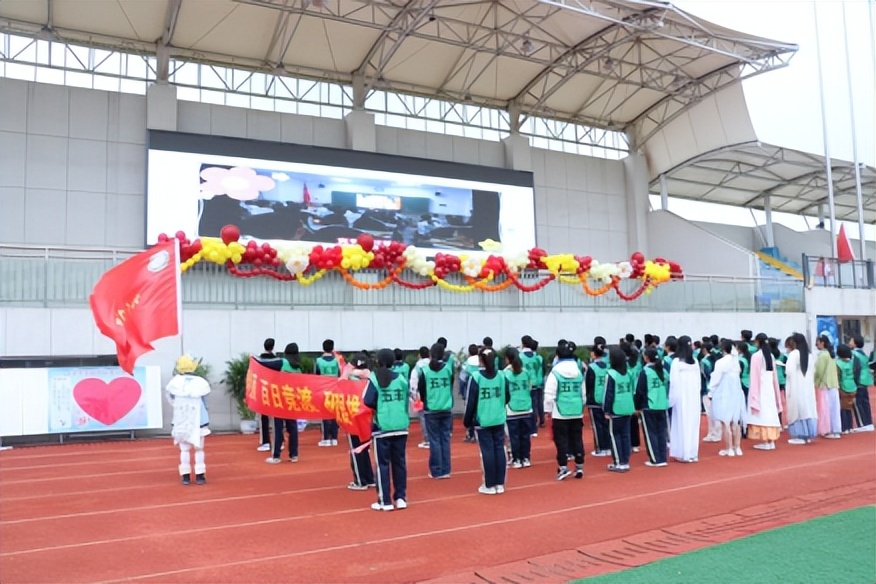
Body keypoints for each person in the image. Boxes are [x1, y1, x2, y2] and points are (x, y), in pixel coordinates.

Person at [363, 349, 409, 511]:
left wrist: (380, 408)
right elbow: (405, 398)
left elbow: (367, 400)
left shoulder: (374, 379)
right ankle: (401, 498)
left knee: (382, 464)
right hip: (401, 425)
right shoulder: (402, 379)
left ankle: (385, 501)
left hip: (382, 427)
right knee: (400, 463)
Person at [464, 347, 510, 494]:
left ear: (480, 360)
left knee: (487, 452)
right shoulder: (502, 376)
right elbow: (507, 396)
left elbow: (471, 401)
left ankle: (489, 484)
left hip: (482, 418)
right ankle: (499, 483)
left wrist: (467, 421)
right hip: (498, 417)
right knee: (499, 449)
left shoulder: (476, 377)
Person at [165, 355, 211, 485]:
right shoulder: (201, 382)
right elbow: (205, 401)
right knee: (199, 448)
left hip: (181, 419)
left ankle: (185, 475)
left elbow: (170, 397)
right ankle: (200, 475)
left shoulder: (175, 382)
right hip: (199, 420)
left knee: (184, 449)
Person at [544, 341, 586, 480]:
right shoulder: (578, 372)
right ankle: (579, 466)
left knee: (561, 440)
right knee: (577, 438)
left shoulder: (555, 373)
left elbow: (549, 393)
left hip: (560, 411)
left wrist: (547, 410)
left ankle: (563, 467)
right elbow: (583, 393)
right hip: (576, 410)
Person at [419, 343, 455, 480]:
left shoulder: (425, 370)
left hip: (432, 407)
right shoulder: (448, 369)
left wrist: (427, 400)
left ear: (430, 354)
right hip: (446, 407)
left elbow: (421, 389)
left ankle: (436, 470)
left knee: (434, 440)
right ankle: (446, 469)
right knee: (445, 439)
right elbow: (450, 384)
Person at [343, 353, 376, 491]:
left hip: (353, 418)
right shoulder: (372, 379)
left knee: (356, 449)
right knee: (364, 449)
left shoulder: (348, 380)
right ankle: (368, 478)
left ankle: (360, 480)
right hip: (368, 418)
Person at [744, 335, 783, 451]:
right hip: (769, 386)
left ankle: (766, 441)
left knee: (762, 413)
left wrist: (754, 394)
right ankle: (771, 441)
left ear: (757, 342)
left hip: (760, 387)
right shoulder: (769, 356)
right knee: (770, 411)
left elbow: (754, 375)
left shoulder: (756, 356)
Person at [708, 339, 746, 456]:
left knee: (726, 421)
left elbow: (716, 378)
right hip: (736, 392)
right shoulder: (736, 361)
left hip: (724, 392)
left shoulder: (721, 362)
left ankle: (729, 448)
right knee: (736, 421)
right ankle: (737, 447)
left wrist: (711, 391)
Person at [265, 343, 302, 464]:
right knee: (293, 428)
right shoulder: (298, 368)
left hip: (279, 400)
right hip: (292, 401)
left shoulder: (282, 362)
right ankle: (294, 454)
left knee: (278, 428)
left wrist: (253, 359)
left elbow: (265, 364)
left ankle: (276, 455)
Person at [603, 347, 636, 473]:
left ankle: (618, 462)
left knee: (614, 436)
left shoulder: (611, 374)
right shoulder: (628, 373)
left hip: (616, 409)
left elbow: (608, 394)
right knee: (625, 435)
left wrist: (606, 410)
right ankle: (625, 461)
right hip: (627, 407)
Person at [668, 336, 701, 463]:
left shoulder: (676, 362)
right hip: (693, 397)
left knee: (681, 423)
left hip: (682, 397)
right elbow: (698, 382)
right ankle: (692, 452)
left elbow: (674, 382)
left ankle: (684, 453)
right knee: (692, 424)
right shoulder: (695, 362)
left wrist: (672, 399)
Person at [635, 349, 669, 467]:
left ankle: (655, 459)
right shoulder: (663, 371)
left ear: (646, 358)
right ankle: (663, 457)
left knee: (650, 433)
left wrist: (637, 406)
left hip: (649, 405)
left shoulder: (645, 372)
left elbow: (640, 390)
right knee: (661, 432)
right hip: (661, 404)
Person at [784, 333, 818, 445]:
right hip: (807, 385)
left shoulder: (794, 354)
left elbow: (789, 371)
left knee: (797, 409)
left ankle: (799, 434)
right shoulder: (809, 355)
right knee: (807, 408)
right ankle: (808, 434)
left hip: (797, 385)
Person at [503, 347, 533, 469]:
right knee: (525, 435)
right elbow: (530, 387)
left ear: (507, 359)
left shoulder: (505, 373)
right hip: (526, 406)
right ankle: (525, 458)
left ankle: (516, 459)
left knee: (514, 436)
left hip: (512, 407)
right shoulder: (525, 372)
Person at [584, 341, 611, 457]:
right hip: (606, 399)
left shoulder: (591, 367)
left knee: (597, 425)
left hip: (594, 400)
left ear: (594, 354)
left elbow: (588, 384)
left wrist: (588, 397)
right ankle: (608, 447)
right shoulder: (608, 367)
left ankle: (600, 448)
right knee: (606, 424)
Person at [813, 335, 842, 439]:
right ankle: (836, 429)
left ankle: (828, 429)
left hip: (825, 385)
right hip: (833, 384)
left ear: (822, 343)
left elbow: (819, 372)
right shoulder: (831, 355)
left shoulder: (823, 355)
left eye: (817, 342)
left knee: (825, 409)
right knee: (834, 409)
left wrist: (815, 382)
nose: (816, 344)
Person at [314, 339, 341, 447]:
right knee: (334, 413)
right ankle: (334, 437)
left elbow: (316, 376)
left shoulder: (318, 361)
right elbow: (340, 374)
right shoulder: (336, 361)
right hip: (335, 389)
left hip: (323, 389)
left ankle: (326, 438)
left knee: (324, 413)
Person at [256, 338, 279, 452]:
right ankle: (279, 441)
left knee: (264, 418)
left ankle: (265, 442)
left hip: (263, 391)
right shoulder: (278, 361)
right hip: (275, 391)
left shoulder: (258, 360)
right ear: (273, 347)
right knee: (276, 418)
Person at [520, 336, 546, 432]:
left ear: (523, 343)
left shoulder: (520, 357)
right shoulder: (537, 357)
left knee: (527, 405)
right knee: (535, 404)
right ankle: (534, 423)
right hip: (536, 382)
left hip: (525, 384)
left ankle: (529, 425)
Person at [850, 336, 875, 432]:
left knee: (857, 403)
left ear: (855, 343)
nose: (850, 341)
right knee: (865, 402)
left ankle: (862, 424)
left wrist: (854, 381)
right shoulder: (863, 353)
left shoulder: (854, 354)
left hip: (859, 380)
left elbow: (856, 368)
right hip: (866, 380)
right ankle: (868, 422)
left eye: (851, 340)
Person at [409, 346, 431, 448]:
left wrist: (413, 396)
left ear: (419, 355)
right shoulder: (432, 364)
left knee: (423, 417)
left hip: (420, 395)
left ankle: (427, 439)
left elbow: (413, 383)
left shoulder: (417, 367)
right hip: (433, 395)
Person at [458, 344, 481, 443]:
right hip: (482, 389)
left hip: (470, 389)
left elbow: (462, 379)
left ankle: (471, 434)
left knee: (470, 411)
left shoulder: (467, 364)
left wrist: (463, 392)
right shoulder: (481, 361)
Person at [836, 344, 858, 433]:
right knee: (849, 408)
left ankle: (844, 427)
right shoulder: (852, 363)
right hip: (852, 386)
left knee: (843, 408)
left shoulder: (838, 363)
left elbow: (838, 377)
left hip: (843, 387)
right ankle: (850, 426)